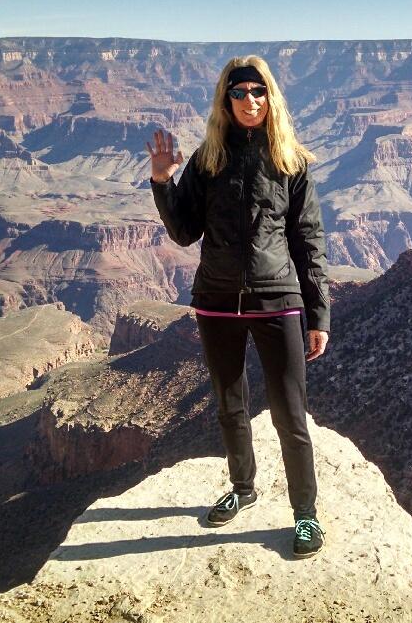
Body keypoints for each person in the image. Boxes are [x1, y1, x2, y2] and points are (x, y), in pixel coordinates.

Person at [146, 55, 330, 558]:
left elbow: (308, 241)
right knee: (231, 407)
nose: (249, 101)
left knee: (291, 413)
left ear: (270, 97)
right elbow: (184, 232)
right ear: (224, 101)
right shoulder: (209, 160)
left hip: (277, 300)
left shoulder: (291, 161)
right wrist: (162, 182)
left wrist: (319, 315)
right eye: (238, 92)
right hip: (217, 301)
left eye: (257, 91)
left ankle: (306, 516)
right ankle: (244, 489)